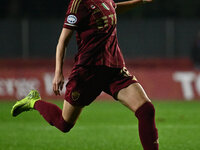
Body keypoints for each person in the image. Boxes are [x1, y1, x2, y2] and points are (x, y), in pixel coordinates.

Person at [11, 0, 159, 150]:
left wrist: (138, 1)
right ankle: (33, 101)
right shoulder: (79, 4)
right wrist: (58, 73)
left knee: (146, 110)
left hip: (114, 68)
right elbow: (62, 41)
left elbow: (112, 9)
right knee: (64, 124)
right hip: (88, 72)